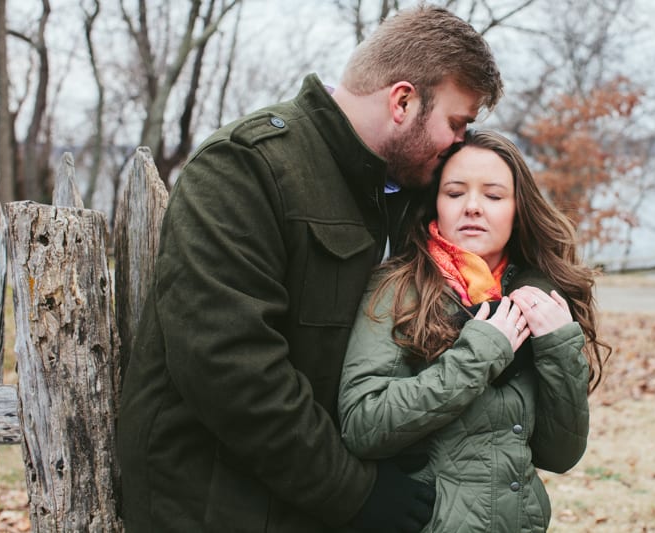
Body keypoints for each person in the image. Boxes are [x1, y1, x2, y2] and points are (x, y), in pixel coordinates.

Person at [115, 4, 503, 533]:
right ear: (403, 100)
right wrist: (355, 491)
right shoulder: (246, 167)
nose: (460, 143)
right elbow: (229, 367)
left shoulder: (402, 190)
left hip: (312, 506)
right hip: (220, 509)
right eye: (456, 123)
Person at [339, 130, 611, 532]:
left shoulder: (534, 297)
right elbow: (363, 424)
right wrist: (481, 352)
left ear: (519, 208)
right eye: (454, 193)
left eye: (494, 196)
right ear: (435, 204)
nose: (472, 207)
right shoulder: (396, 290)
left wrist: (558, 346)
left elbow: (560, 454)